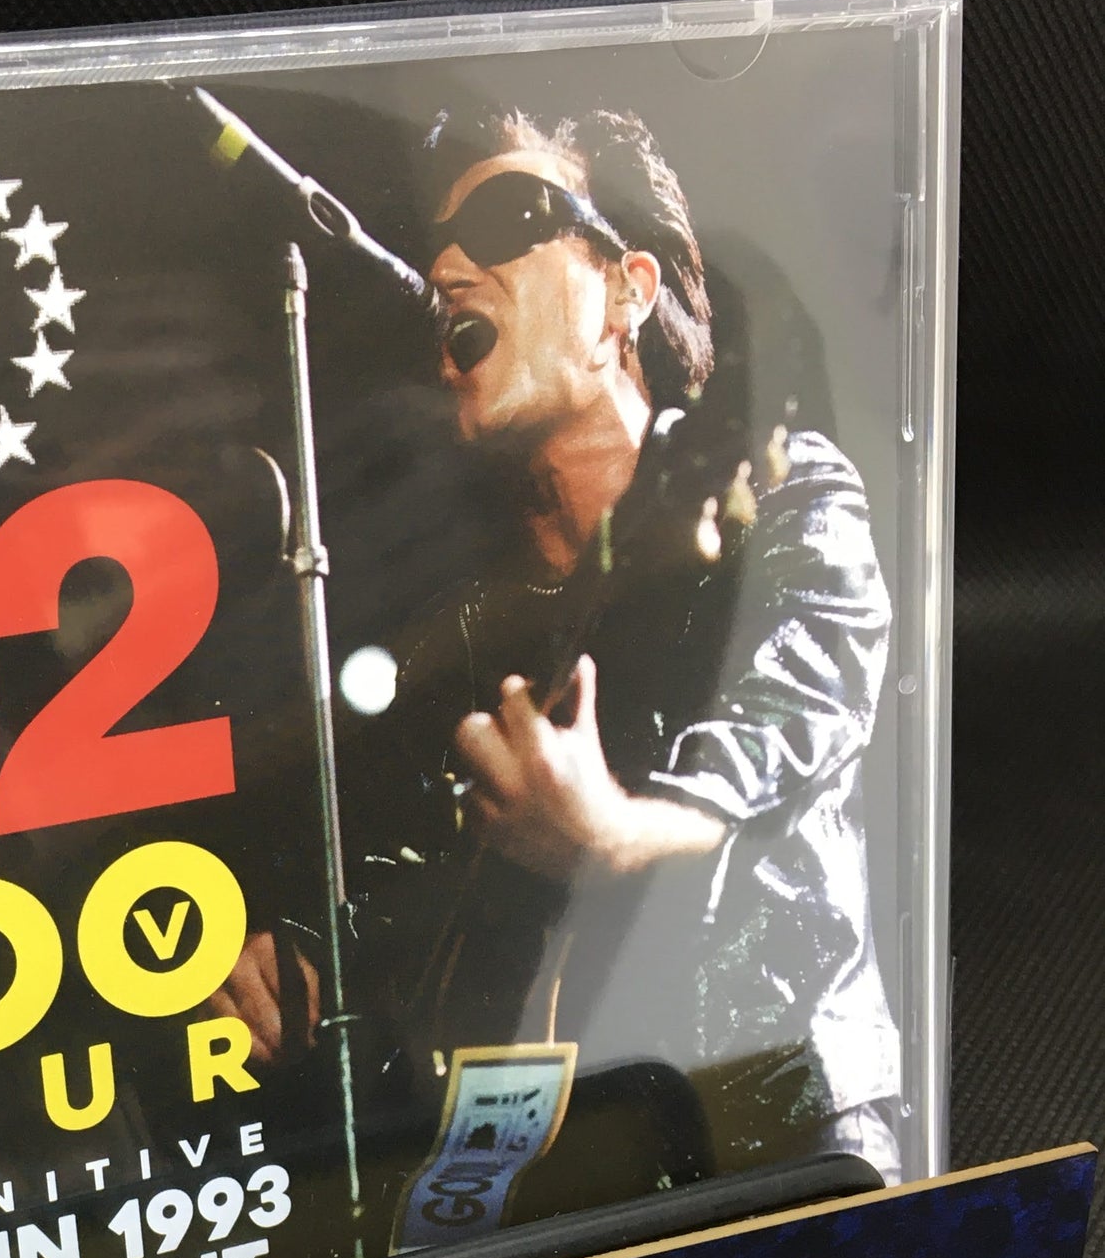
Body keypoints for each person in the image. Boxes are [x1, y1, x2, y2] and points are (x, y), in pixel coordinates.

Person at [210, 105, 904, 1201]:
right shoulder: (460, 620)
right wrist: (310, 963)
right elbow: (422, 886)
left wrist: (612, 836)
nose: (447, 267)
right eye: (439, 244)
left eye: (506, 219)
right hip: (557, 1185)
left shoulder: (774, 495)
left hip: (779, 1137)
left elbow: (789, 726)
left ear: (627, 291)